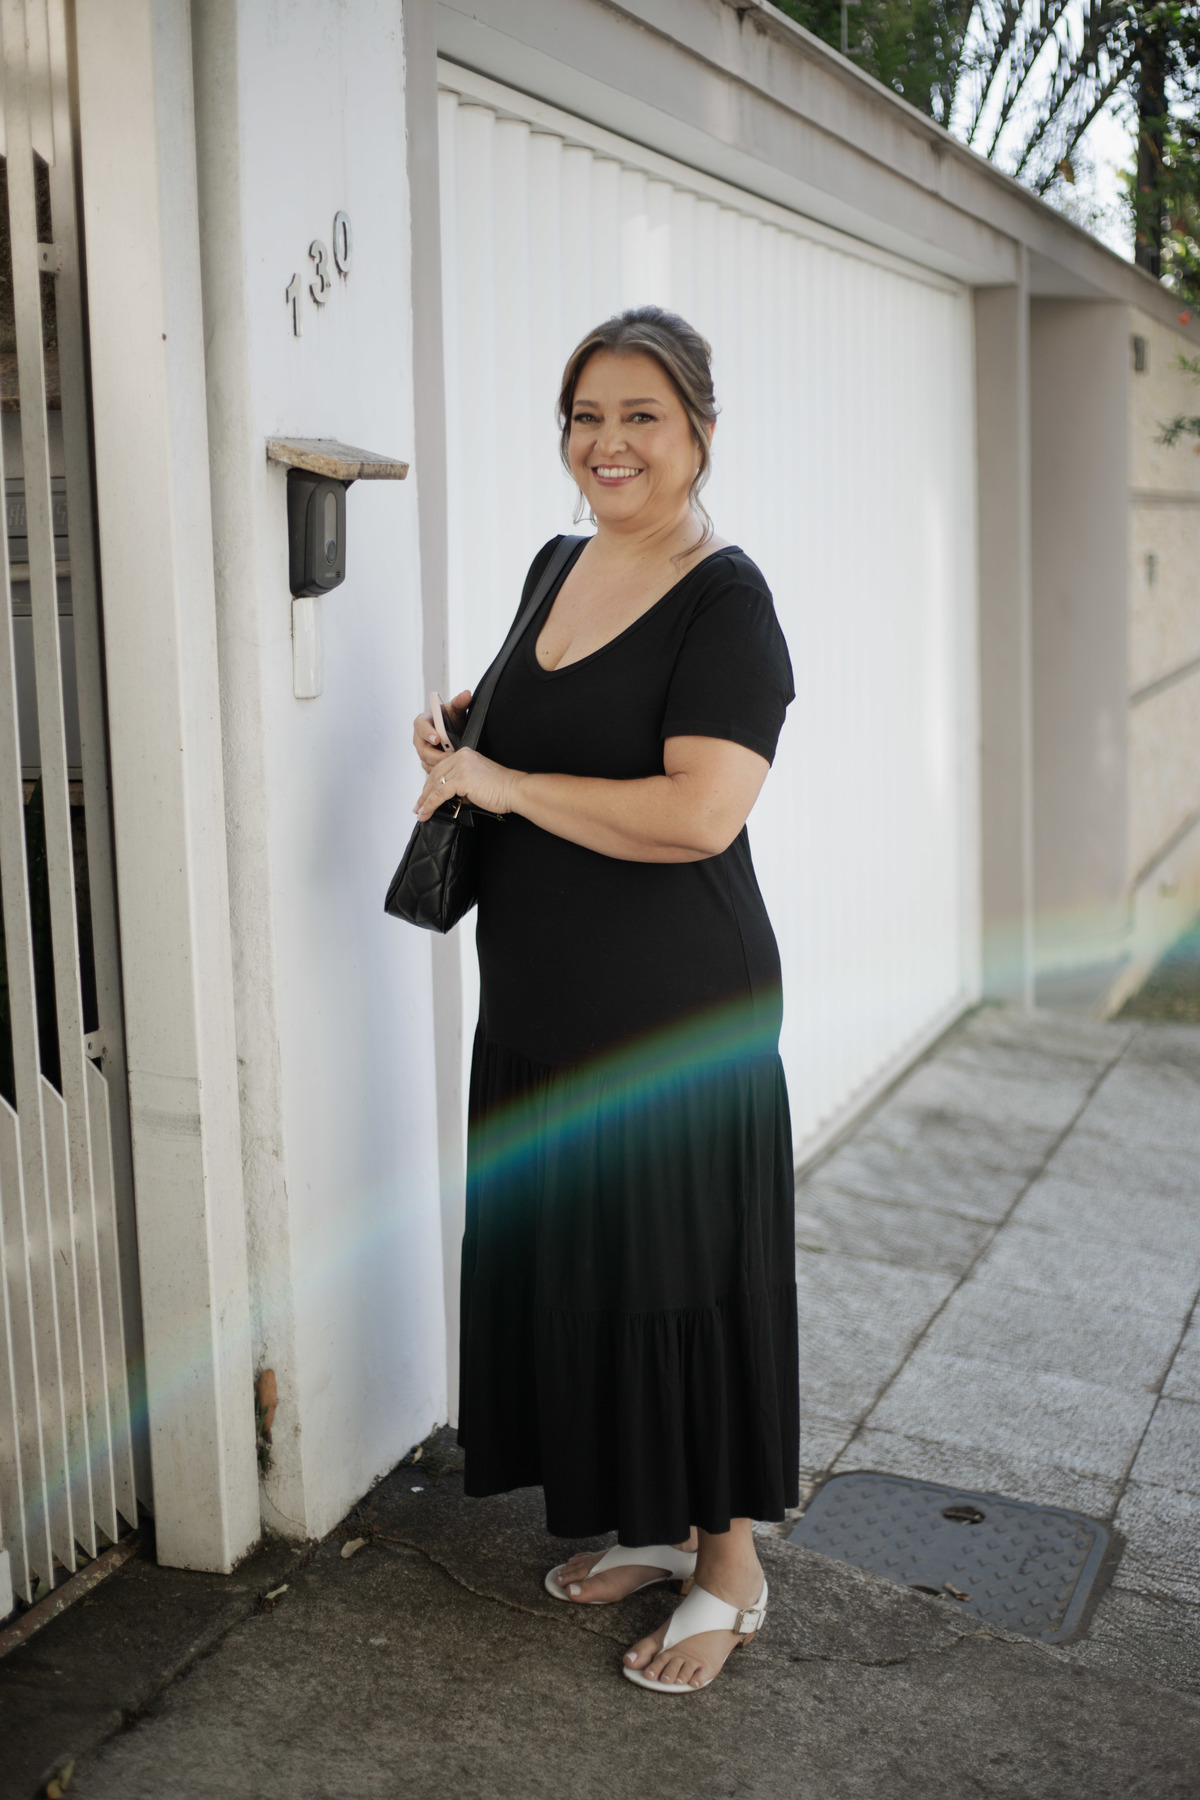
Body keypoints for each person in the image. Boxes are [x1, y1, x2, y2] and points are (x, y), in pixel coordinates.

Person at [412, 306, 797, 1694]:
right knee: (588, 1269)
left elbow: (700, 812)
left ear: (701, 431)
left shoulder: (726, 602)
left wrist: (507, 784)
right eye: (587, 416)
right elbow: (538, 724)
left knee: (680, 1282)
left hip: (671, 1010)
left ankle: (731, 1568)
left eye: (642, 415)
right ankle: (652, 1521)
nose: (608, 442)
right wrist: (465, 733)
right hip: (541, 996)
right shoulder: (556, 564)